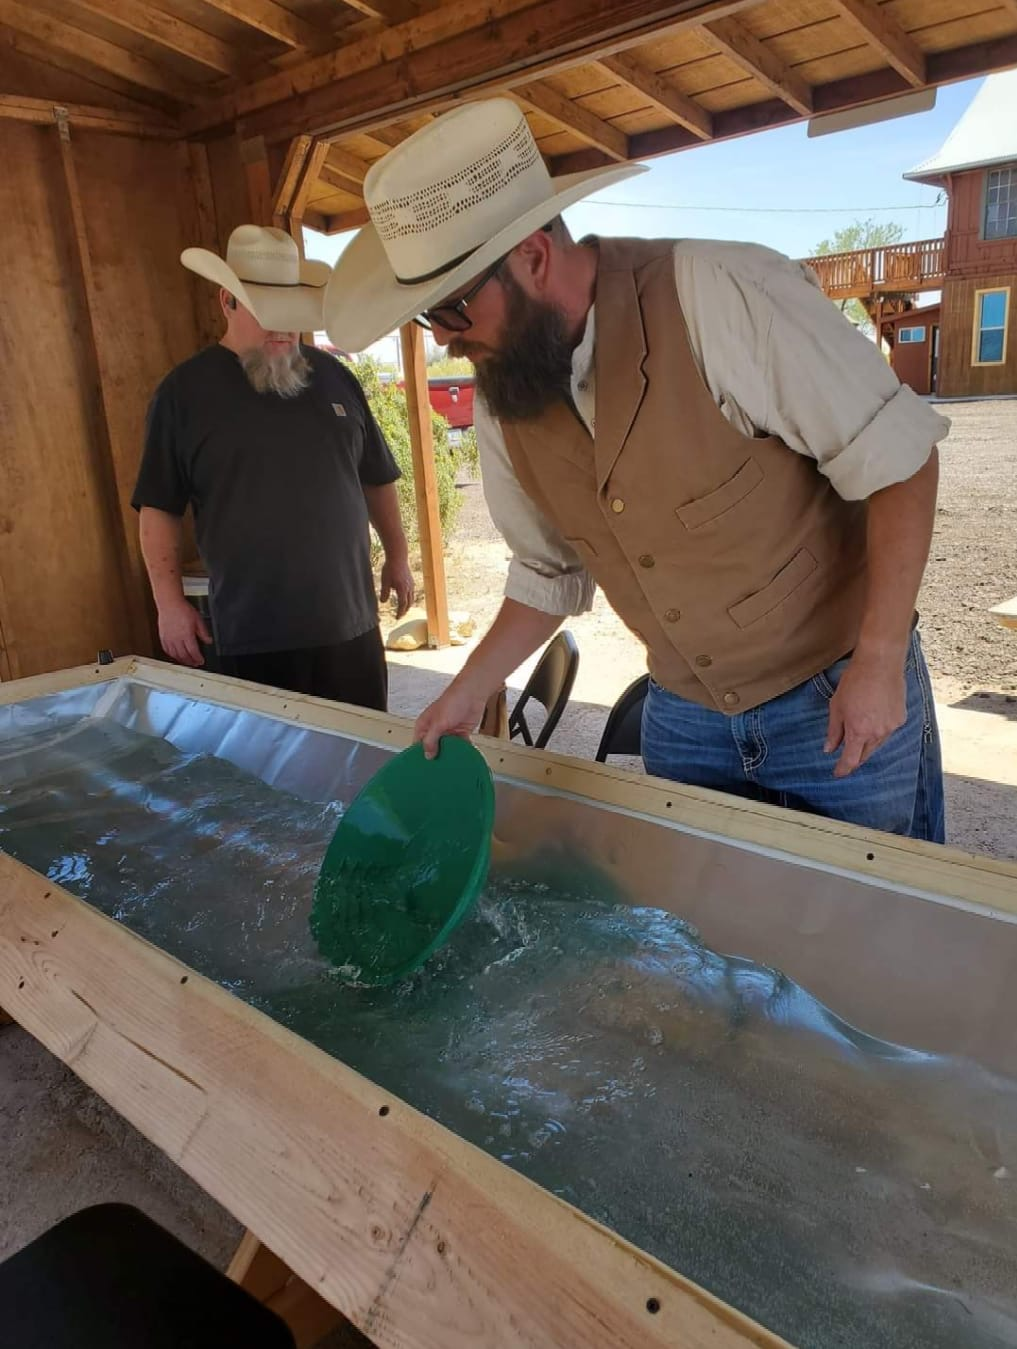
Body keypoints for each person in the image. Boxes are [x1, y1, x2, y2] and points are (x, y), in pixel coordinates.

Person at [323, 100, 950, 840]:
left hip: (836, 694)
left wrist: (877, 663)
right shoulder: (504, 394)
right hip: (682, 715)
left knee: (873, 928)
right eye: (429, 320)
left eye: (453, 310)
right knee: (707, 943)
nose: (447, 343)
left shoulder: (717, 294)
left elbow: (901, 462)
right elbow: (548, 573)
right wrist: (468, 687)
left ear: (531, 255)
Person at [132, 225, 412, 712]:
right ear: (227, 302)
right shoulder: (184, 394)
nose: (284, 328)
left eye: (292, 314)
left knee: (363, 764)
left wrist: (399, 556)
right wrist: (169, 604)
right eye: (268, 312)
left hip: (351, 629)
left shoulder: (335, 378)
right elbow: (158, 507)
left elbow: (376, 478)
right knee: (269, 778)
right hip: (253, 637)